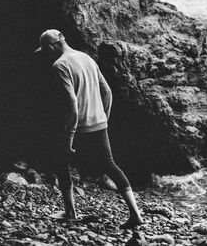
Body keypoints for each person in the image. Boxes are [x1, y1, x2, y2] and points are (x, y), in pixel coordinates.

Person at [34, 29, 144, 229]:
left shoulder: (60, 65)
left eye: (46, 50)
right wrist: (104, 117)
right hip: (99, 123)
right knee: (111, 165)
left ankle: (70, 212)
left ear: (52, 46)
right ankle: (135, 214)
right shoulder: (87, 59)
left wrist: (68, 139)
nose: (46, 55)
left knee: (60, 163)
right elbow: (107, 92)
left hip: (78, 127)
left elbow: (72, 105)